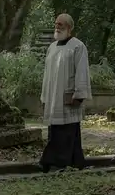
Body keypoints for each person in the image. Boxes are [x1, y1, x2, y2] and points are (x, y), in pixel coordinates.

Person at [39, 14, 92, 172]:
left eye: (61, 24)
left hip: (68, 96)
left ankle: (55, 162)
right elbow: (47, 75)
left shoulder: (78, 46)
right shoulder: (52, 47)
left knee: (67, 131)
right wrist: (44, 97)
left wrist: (79, 94)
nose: (57, 26)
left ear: (69, 27)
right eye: (56, 24)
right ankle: (76, 161)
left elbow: (82, 71)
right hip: (53, 97)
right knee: (57, 131)